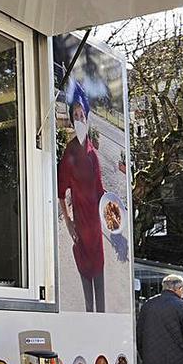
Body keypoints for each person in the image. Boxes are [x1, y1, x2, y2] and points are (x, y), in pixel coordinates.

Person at [58, 85, 107, 312]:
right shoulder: (69, 152)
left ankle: (103, 317)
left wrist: (113, 209)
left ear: (87, 118)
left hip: (95, 223)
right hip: (80, 221)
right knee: (84, 266)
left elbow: (100, 188)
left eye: (82, 115)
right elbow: (60, 192)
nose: (79, 118)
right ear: (71, 119)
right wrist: (68, 223)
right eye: (75, 115)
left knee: (99, 269)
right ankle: (89, 315)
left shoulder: (92, 151)